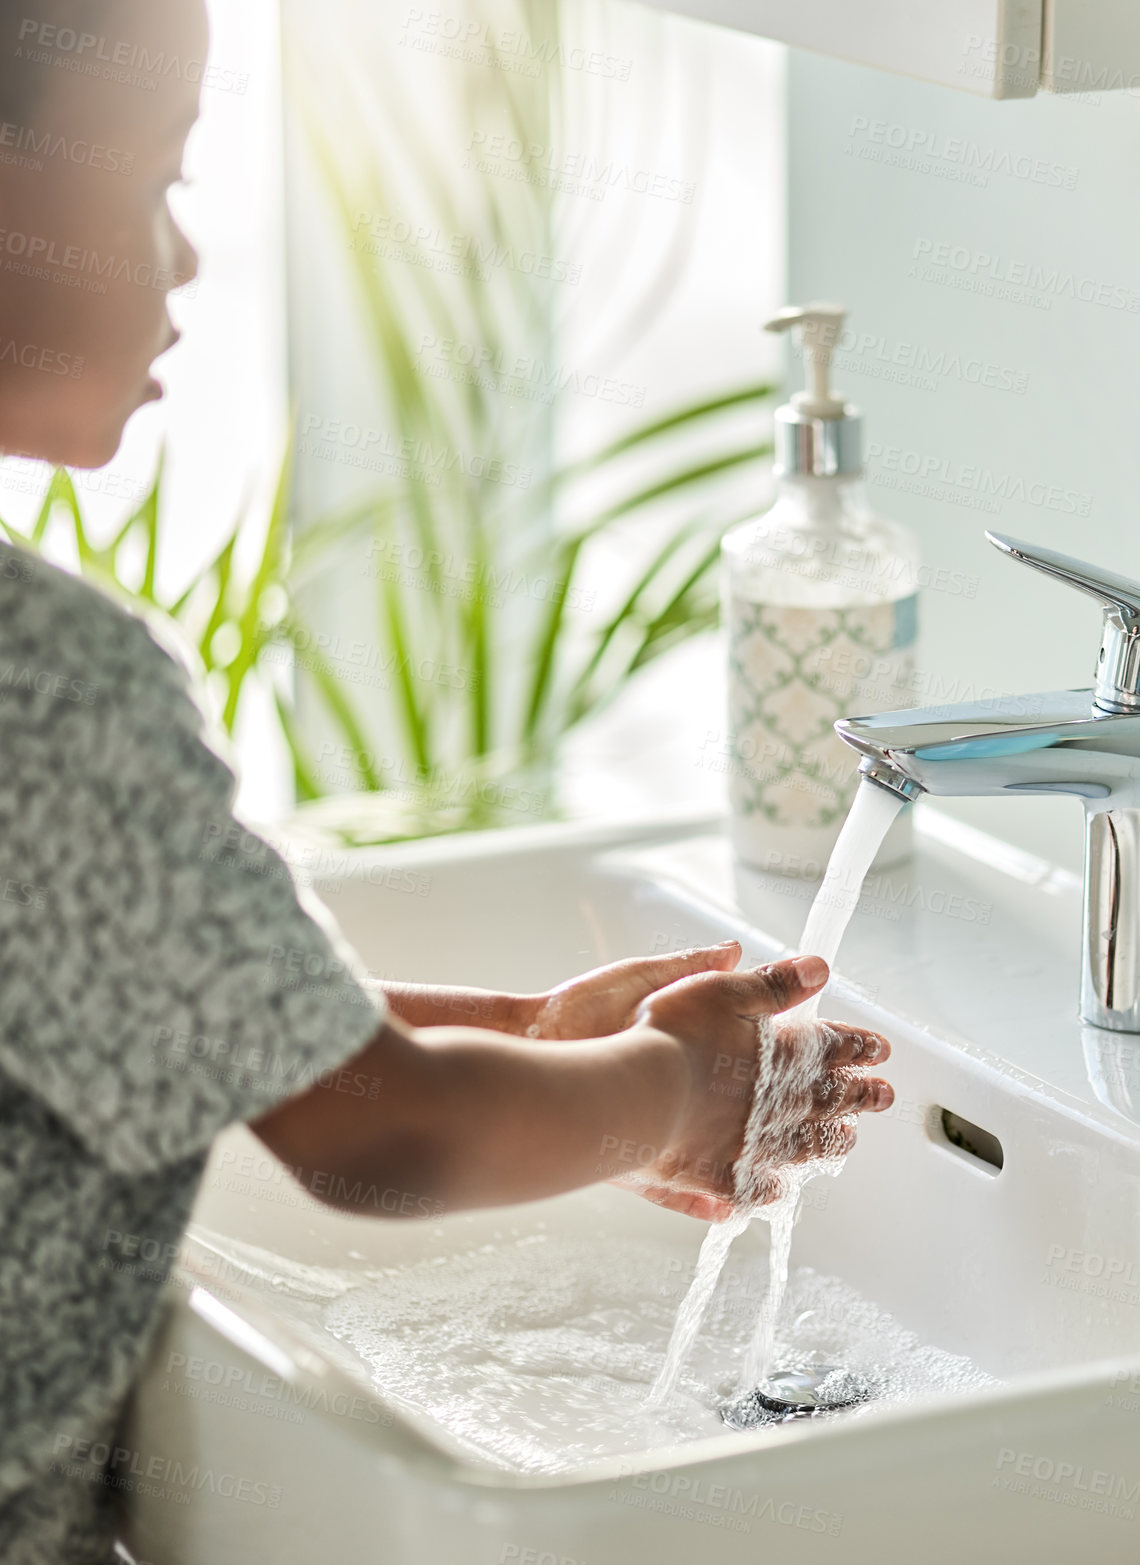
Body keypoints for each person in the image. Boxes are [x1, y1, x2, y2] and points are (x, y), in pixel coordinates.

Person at [0, 2, 894, 1560]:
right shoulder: (47, 686)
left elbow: (123, 985)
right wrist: (680, 1093)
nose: (192, 258)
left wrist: (529, 1035)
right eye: (159, 181)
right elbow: (383, 1136)